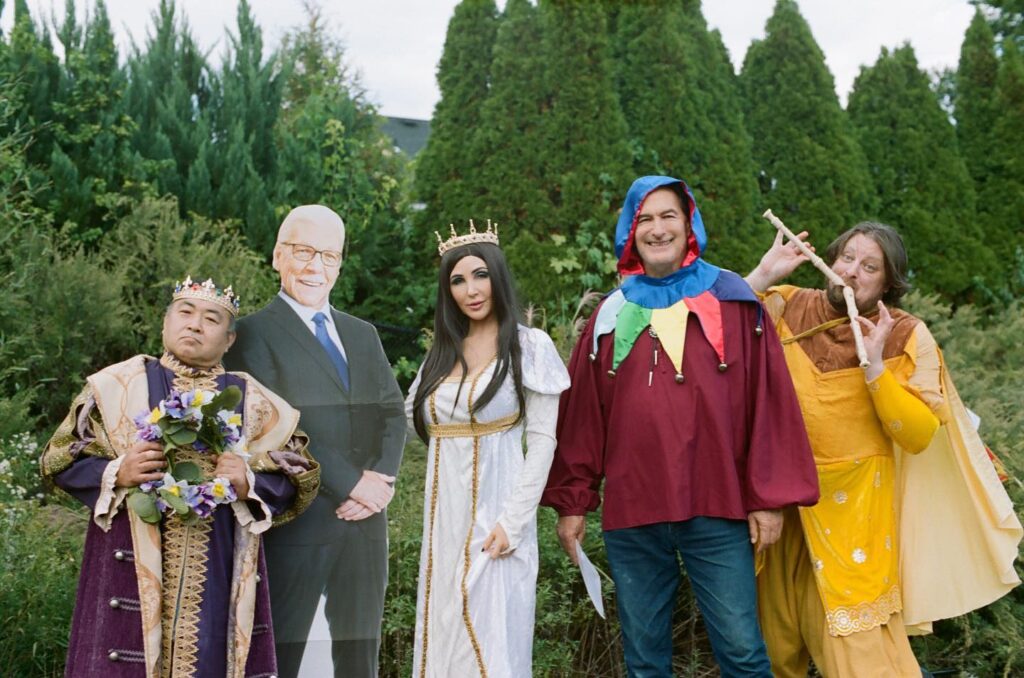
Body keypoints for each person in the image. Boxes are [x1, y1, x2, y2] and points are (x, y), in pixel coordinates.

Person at [542, 175, 820, 677]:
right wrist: (573, 500)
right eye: (644, 218)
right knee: (645, 662)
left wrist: (767, 498)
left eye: (668, 215)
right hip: (634, 514)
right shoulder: (609, 314)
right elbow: (583, 417)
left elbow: (769, 404)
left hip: (716, 506)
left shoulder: (735, 302)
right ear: (630, 230)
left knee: (742, 654)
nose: (657, 228)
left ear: (688, 223)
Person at [745, 222, 1022, 677]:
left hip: (856, 515)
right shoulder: (786, 305)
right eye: (846, 258)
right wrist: (760, 275)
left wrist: (875, 368)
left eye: (869, 267)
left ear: (888, 283)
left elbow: (917, 434)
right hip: (777, 508)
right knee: (773, 647)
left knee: (859, 653)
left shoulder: (907, 335)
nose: (852, 272)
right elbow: (712, 327)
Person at [41, 276, 320, 677]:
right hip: (129, 554)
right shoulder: (116, 386)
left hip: (218, 561)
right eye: (185, 313)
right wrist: (118, 471)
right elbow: (58, 459)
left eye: (211, 319)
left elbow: (301, 474)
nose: (195, 324)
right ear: (165, 323)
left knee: (208, 654)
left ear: (228, 340)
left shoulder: (254, 400)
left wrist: (249, 482)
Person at [223, 205, 406, 677]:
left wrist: (379, 481)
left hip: (366, 523)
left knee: (358, 657)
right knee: (283, 656)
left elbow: (391, 413)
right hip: (299, 521)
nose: (314, 266)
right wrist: (350, 484)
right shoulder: (249, 335)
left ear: (340, 265)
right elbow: (273, 428)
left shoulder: (362, 334)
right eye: (304, 251)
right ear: (278, 256)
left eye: (328, 255)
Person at [405, 222, 569, 677]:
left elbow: (542, 442)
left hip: (497, 520)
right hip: (443, 525)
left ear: (498, 276)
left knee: (491, 637)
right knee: (444, 632)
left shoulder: (528, 346)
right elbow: (412, 417)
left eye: (480, 275)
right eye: (457, 280)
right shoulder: (440, 354)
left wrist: (513, 522)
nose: (470, 290)